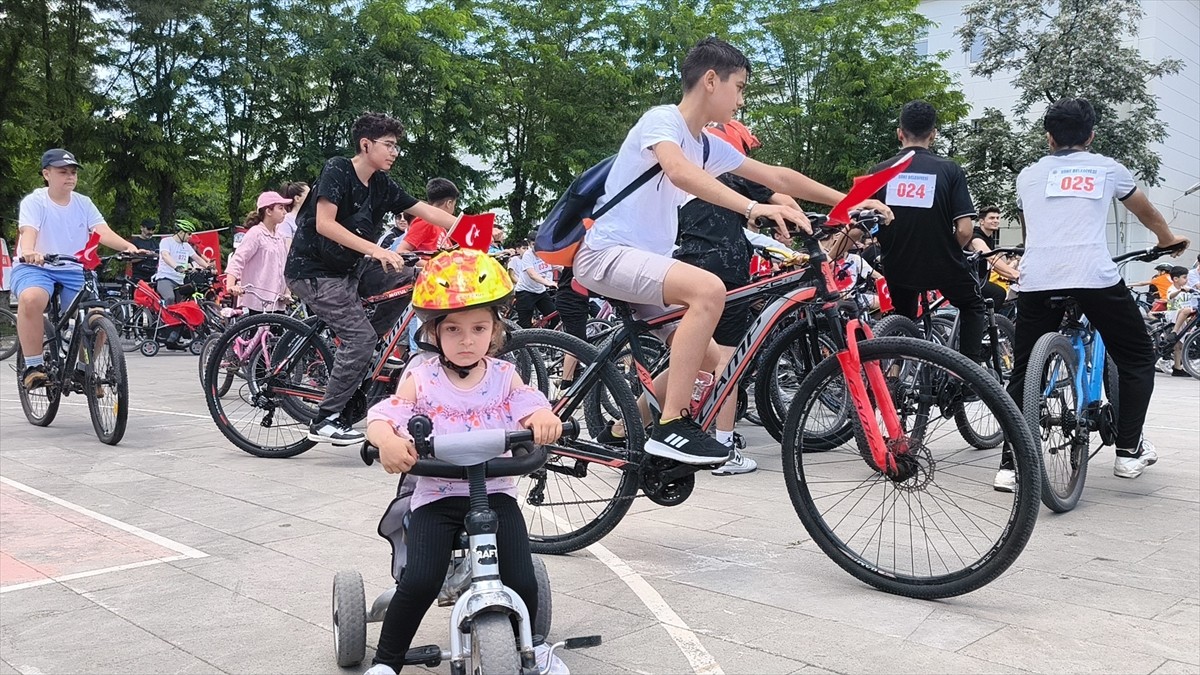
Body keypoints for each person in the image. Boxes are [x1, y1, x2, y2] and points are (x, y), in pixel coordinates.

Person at [570, 37, 891, 465]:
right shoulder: (662, 121)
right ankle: (670, 426)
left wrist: (849, 202)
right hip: (606, 254)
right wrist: (752, 207)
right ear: (710, 80)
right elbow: (679, 172)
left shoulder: (706, 144)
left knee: (711, 362)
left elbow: (779, 176)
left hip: (646, 266)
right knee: (709, 290)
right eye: (739, 87)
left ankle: (626, 426)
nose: (741, 99)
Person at [362, 249, 565, 675]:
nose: (467, 339)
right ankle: (387, 660)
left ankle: (534, 646)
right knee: (419, 581)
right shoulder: (422, 377)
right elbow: (387, 415)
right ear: (434, 333)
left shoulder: (503, 375)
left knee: (522, 578)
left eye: (478, 328)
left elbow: (528, 404)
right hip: (436, 497)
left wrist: (542, 418)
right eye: (453, 329)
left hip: (495, 493)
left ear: (495, 331)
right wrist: (385, 441)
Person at [1000, 97, 1189, 490]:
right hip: (1093, 276)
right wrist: (1168, 241)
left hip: (1037, 278)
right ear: (1091, 134)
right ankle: (1128, 450)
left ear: (1048, 137)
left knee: (1022, 372)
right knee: (1137, 356)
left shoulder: (1028, 175)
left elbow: (1037, 226)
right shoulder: (1106, 167)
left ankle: (1010, 465)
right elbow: (1146, 211)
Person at [285, 112, 460, 445]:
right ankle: (325, 418)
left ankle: (370, 345)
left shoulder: (382, 184)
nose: (394, 152)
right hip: (314, 271)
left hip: (351, 269)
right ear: (366, 145)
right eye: (389, 145)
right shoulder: (338, 169)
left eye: (397, 146)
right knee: (359, 339)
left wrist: (472, 236)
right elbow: (325, 224)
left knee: (411, 275)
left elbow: (428, 211)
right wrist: (376, 251)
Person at [13, 148, 143, 389]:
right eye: (63, 172)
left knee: (98, 316)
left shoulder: (84, 203)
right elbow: (28, 231)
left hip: (74, 267)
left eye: (73, 172)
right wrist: (29, 251)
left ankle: (83, 370)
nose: (70, 177)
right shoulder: (35, 201)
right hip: (36, 266)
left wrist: (129, 247)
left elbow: (101, 231)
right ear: (46, 174)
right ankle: (33, 366)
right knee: (32, 299)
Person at [870, 100, 987, 363]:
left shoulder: (879, 172)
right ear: (933, 134)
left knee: (902, 318)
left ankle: (897, 375)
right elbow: (966, 230)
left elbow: (860, 226)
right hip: (943, 265)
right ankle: (967, 373)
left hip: (898, 266)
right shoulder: (950, 169)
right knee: (972, 306)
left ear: (900, 133)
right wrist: (948, 246)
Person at [226, 191, 292, 312]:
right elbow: (238, 259)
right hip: (258, 302)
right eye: (281, 208)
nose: (285, 212)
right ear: (268, 211)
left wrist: (287, 292)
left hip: (278, 301)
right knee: (258, 331)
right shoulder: (256, 233)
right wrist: (231, 285)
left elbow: (285, 267)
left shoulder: (280, 236)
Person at [968, 206, 1020, 309]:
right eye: (992, 218)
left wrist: (1015, 277)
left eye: (997, 218)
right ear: (982, 221)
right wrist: (1014, 273)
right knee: (999, 294)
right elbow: (991, 257)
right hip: (969, 280)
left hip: (979, 280)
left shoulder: (989, 239)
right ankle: (986, 324)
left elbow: (995, 265)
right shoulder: (976, 238)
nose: (996, 221)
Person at [152, 218, 213, 303]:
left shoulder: (186, 245)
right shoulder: (166, 241)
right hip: (165, 278)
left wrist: (208, 266)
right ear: (181, 232)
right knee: (170, 298)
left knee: (184, 303)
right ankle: (163, 315)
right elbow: (165, 256)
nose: (190, 236)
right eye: (189, 234)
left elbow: (196, 258)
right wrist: (176, 267)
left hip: (180, 281)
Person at [396, 178, 459, 253]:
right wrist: (427, 264)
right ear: (449, 203)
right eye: (454, 205)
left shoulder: (439, 225)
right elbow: (401, 251)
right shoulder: (425, 222)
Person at [1155, 266, 1196, 378]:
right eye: (1184, 277)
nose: (1186, 279)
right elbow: (1170, 296)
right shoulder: (1172, 289)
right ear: (1175, 279)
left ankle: (1178, 367)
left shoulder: (1187, 288)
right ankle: (1174, 331)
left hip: (1183, 319)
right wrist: (1180, 291)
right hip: (1173, 318)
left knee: (1180, 345)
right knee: (1177, 344)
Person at [514, 233, 557, 328]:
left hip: (540, 291)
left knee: (555, 316)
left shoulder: (545, 253)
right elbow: (532, 274)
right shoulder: (527, 255)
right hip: (525, 292)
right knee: (525, 325)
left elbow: (557, 265)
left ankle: (549, 338)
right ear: (529, 244)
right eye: (533, 244)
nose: (537, 247)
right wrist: (548, 283)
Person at [278, 181, 309, 245]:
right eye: (308, 195)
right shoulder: (286, 220)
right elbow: (287, 248)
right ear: (297, 198)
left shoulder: (309, 218)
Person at [129, 219, 160, 284]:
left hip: (153, 276)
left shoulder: (155, 243)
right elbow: (130, 259)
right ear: (141, 228)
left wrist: (156, 255)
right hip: (138, 277)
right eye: (148, 229)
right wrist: (145, 256)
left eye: (153, 229)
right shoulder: (135, 242)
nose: (151, 232)